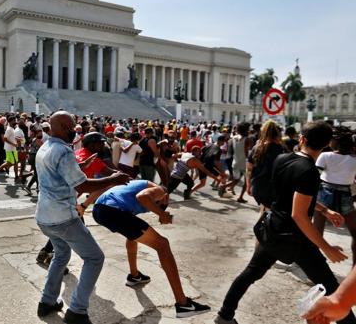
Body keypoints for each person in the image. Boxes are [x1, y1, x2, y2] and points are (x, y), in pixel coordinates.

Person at [215, 121, 356, 324]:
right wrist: (326, 247)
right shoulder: (309, 171)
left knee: (251, 273)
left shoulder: (282, 158)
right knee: (332, 289)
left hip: (273, 228)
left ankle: (224, 315)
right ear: (325, 145)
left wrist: (324, 209)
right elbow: (298, 214)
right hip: (295, 238)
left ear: (302, 139)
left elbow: (291, 196)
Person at [35, 111, 130, 324]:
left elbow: (60, 175)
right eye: (70, 128)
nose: (74, 132)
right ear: (58, 126)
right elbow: (82, 186)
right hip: (63, 217)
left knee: (61, 255)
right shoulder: (63, 151)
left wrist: (81, 167)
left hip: (44, 216)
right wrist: (113, 179)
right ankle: (77, 311)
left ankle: (47, 301)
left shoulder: (45, 147)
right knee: (95, 258)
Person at [93, 180, 211, 318]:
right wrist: (162, 214)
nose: (157, 206)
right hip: (112, 211)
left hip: (100, 211)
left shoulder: (132, 189)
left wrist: (160, 212)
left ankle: (134, 276)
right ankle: (183, 304)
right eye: (161, 204)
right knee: (163, 245)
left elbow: (134, 227)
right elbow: (142, 197)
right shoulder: (159, 190)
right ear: (166, 196)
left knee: (133, 236)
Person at [313, 127, 356, 264]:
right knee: (355, 233)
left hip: (323, 194)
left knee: (317, 233)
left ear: (334, 142)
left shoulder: (325, 156)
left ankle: (315, 264)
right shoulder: (354, 159)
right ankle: (354, 268)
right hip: (345, 195)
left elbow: (314, 177)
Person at [246, 120, 284, 210]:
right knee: (269, 214)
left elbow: (249, 169)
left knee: (264, 211)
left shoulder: (256, 147)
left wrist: (248, 185)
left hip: (257, 187)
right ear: (277, 134)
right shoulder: (281, 149)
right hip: (272, 189)